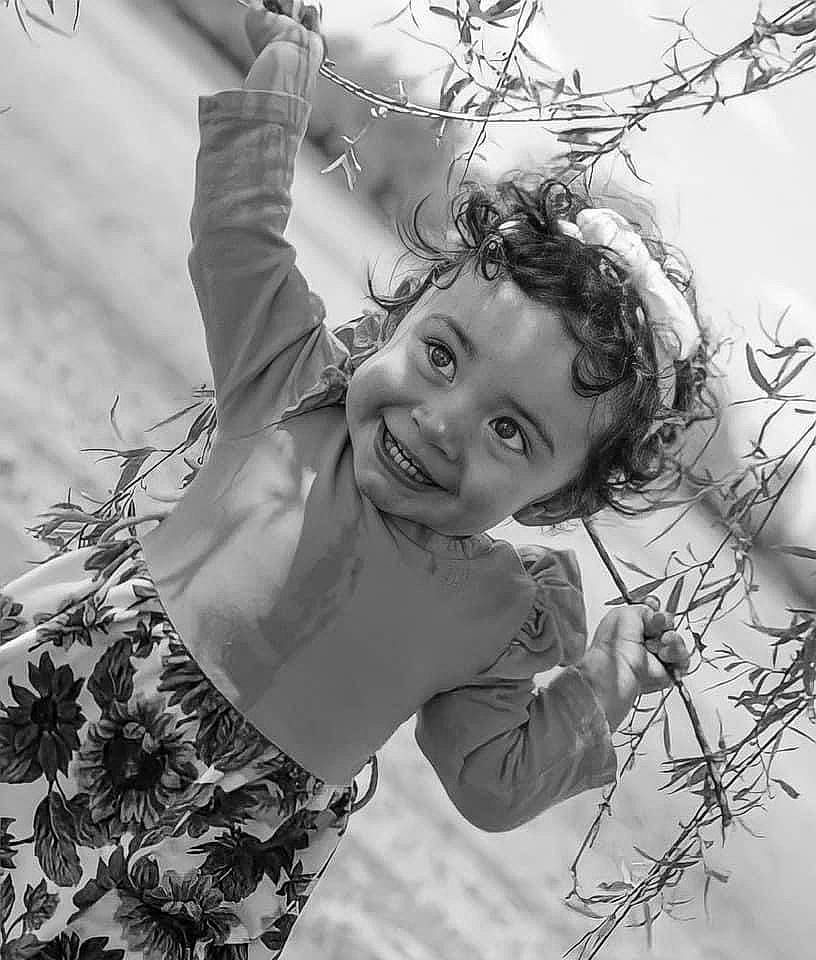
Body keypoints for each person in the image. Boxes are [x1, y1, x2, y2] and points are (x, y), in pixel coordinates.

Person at [0, 0, 714, 955]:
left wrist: (598, 686)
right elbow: (237, 234)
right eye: (443, 355)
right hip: (64, 708)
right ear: (405, 314)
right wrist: (287, 74)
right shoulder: (295, 392)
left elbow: (490, 781)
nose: (439, 421)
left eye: (511, 429)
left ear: (555, 497)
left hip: (206, 859)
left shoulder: (505, 614)